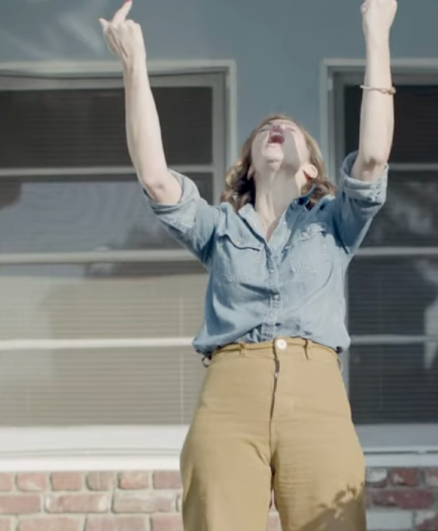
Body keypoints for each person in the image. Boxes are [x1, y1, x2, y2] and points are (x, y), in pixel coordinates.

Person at [100, 0, 396, 529]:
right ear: (249, 162)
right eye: (266, 128)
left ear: (310, 169)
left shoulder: (334, 223)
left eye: (288, 127)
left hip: (319, 399)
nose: (275, 126)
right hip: (229, 399)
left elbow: (372, 157)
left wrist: (376, 32)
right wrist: (134, 64)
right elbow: (155, 175)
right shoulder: (217, 227)